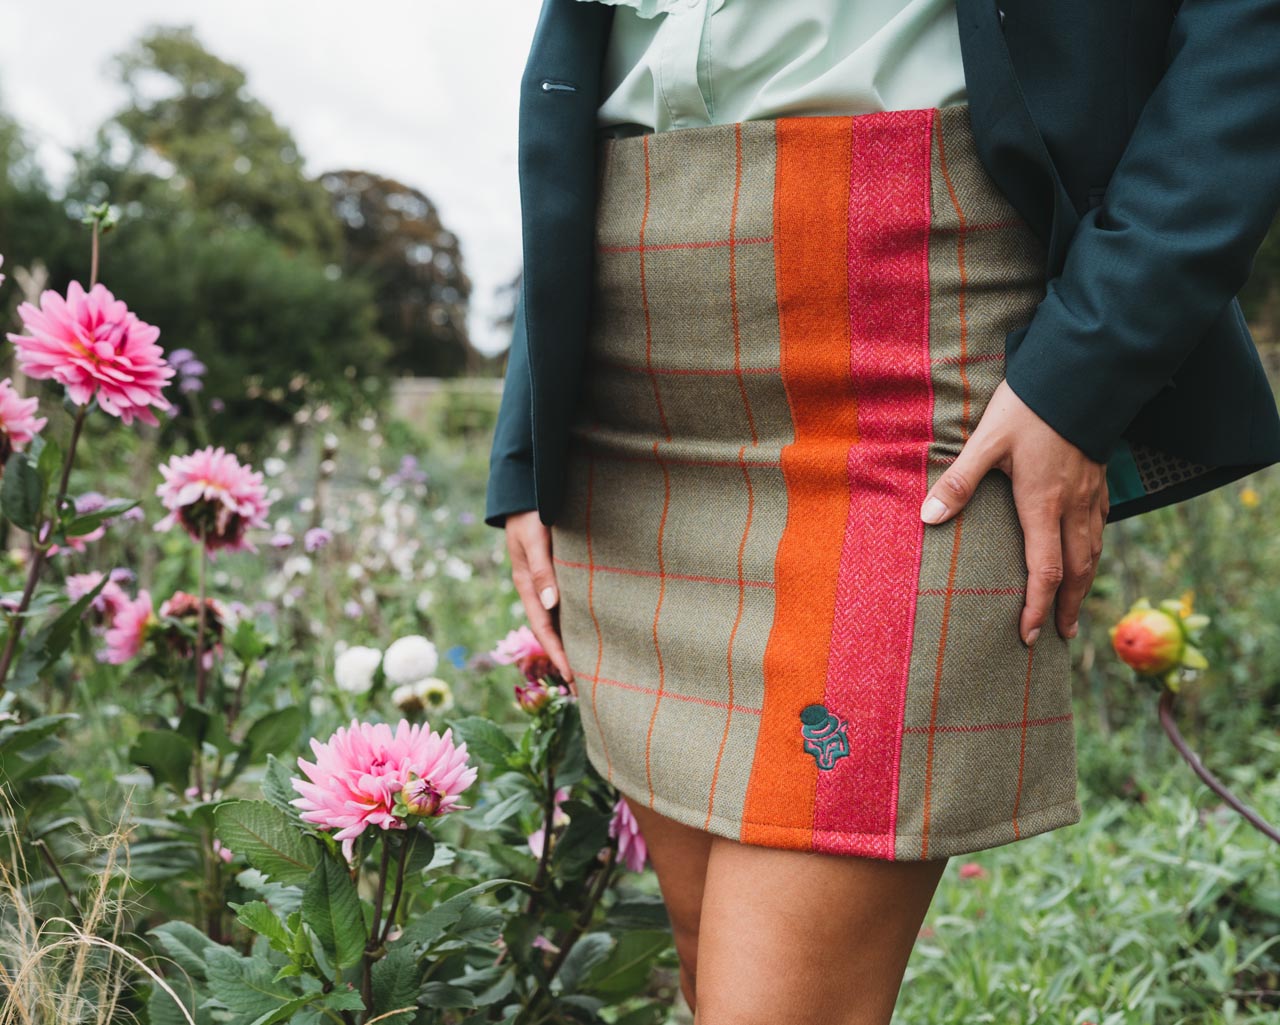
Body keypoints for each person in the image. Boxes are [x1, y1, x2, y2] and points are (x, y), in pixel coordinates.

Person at [485, 1, 1280, 1022]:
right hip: (627, 400)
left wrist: (1084, 366)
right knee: (702, 964)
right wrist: (528, 435)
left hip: (910, 351)